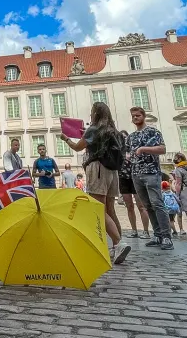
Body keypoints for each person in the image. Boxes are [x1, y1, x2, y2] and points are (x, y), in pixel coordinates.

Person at [63, 101, 129, 264]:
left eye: (92, 112)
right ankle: (116, 246)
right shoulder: (114, 131)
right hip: (113, 171)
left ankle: (119, 243)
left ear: (96, 114)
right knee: (110, 209)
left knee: (97, 209)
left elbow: (78, 147)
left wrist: (66, 139)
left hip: (97, 167)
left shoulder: (94, 130)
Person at [127, 107, 173, 251]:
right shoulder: (131, 136)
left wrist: (144, 149)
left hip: (151, 172)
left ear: (144, 116)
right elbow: (128, 153)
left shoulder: (153, 132)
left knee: (157, 204)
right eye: (133, 116)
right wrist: (128, 157)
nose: (135, 118)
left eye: (138, 115)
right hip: (136, 173)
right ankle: (157, 235)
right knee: (148, 206)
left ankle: (166, 237)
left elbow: (162, 149)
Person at [117, 130, 150, 239]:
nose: (124, 139)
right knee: (129, 206)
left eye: (125, 137)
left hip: (135, 177)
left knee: (141, 206)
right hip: (123, 178)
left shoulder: (134, 149)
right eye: (122, 138)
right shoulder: (118, 151)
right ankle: (134, 230)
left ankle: (146, 231)